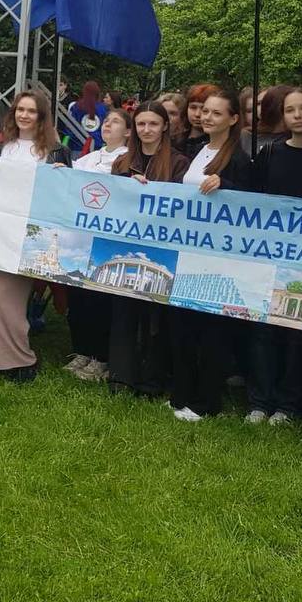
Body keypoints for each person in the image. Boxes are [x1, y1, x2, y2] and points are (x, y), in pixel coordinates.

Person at [169, 90, 252, 423]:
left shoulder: (239, 158)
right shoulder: (200, 149)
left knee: (212, 331)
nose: (207, 117)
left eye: (217, 113)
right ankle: (182, 393)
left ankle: (207, 401)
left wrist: (227, 183)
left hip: (220, 257)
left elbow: (252, 201)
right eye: (205, 111)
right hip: (190, 248)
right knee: (184, 325)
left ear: (233, 119)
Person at [247, 86, 302, 427]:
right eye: (290, 109)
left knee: (298, 332)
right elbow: (250, 199)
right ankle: (259, 400)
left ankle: (288, 403)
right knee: (263, 330)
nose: (297, 115)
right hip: (269, 253)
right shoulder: (269, 153)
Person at [0, 91, 70, 382]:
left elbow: (65, 197)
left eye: (31, 111)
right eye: (20, 109)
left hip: (31, 237)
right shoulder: (4, 148)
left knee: (1, 297)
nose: (24, 115)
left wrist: (63, 176)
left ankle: (23, 360)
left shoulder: (56, 151)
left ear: (41, 116)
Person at [106, 102, 189, 397]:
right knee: (124, 311)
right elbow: (111, 201)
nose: (147, 130)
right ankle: (121, 375)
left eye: (153, 123)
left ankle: (152, 379)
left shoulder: (179, 163)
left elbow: (182, 206)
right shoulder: (122, 162)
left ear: (165, 126)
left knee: (156, 316)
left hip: (161, 248)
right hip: (126, 246)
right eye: (141, 124)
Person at [64, 108, 132, 381]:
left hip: (107, 241)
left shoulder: (128, 160)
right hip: (80, 238)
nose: (107, 125)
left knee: (99, 300)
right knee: (78, 298)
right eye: (106, 121)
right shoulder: (90, 157)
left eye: (115, 122)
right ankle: (82, 349)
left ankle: (101, 357)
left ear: (128, 131)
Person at [182, 84, 219, 157]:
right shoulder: (175, 141)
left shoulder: (218, 145)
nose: (197, 114)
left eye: (203, 109)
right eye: (193, 107)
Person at [69, 81, 107, 152]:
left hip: (77, 145)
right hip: (96, 146)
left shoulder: (76, 107)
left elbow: (70, 128)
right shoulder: (103, 108)